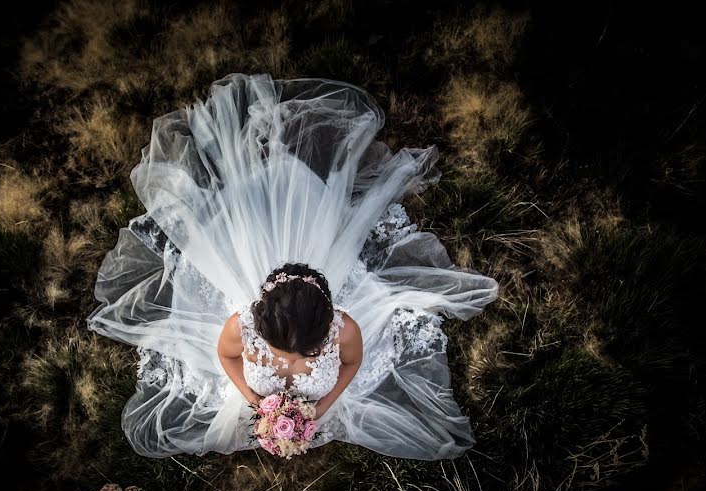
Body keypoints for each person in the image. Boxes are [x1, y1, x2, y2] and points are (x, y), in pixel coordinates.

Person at [86, 73, 499, 460]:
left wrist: (320, 408)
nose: (299, 357)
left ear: (329, 322)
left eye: (313, 348)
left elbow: (351, 363)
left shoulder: (345, 327)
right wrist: (254, 402)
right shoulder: (240, 327)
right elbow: (228, 359)